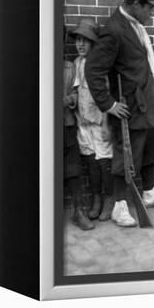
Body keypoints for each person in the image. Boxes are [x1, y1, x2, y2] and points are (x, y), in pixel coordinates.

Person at [85, 0, 154, 228]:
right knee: (127, 157)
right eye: (149, 7)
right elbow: (93, 70)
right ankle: (120, 206)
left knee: (150, 151)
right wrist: (109, 104)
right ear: (135, 3)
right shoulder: (115, 29)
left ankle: (148, 193)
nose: (152, 12)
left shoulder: (135, 24)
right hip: (131, 108)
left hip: (148, 103)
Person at [69, 19, 114, 221]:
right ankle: (96, 199)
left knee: (104, 162)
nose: (80, 44)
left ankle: (108, 199)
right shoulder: (77, 64)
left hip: (98, 122)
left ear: (94, 43)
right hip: (83, 122)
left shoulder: (99, 64)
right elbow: (78, 92)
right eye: (78, 40)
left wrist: (106, 124)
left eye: (85, 40)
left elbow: (106, 95)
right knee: (90, 162)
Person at [63, 45, 94, 230]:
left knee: (73, 168)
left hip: (65, 123)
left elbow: (76, 92)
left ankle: (78, 212)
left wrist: (70, 100)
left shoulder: (69, 67)